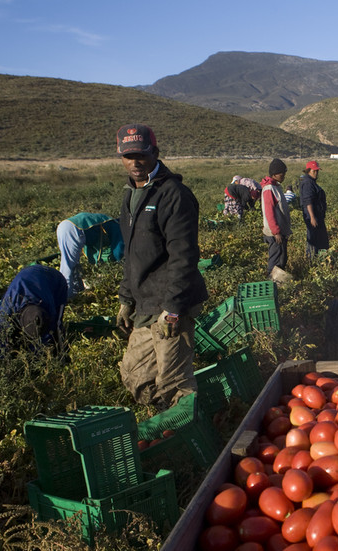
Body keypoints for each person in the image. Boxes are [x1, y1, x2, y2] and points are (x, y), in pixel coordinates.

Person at [114, 123, 209, 411]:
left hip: (170, 304)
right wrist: (126, 299)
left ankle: (192, 441)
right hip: (145, 303)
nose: (135, 162)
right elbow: (133, 255)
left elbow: (184, 256)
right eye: (128, 156)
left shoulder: (173, 195)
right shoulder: (131, 196)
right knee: (137, 376)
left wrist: (173, 308)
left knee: (173, 382)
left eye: (141, 155)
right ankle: (166, 428)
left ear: (155, 152)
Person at [0, 264, 68, 355]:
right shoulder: (11, 300)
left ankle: (60, 353)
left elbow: (50, 331)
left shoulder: (49, 309)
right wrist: (2, 357)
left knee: (56, 326)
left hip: (57, 281)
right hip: (27, 273)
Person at [56, 212, 124, 298]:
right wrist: (118, 263)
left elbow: (93, 247)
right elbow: (118, 250)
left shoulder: (107, 221)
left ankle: (77, 291)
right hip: (73, 229)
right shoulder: (117, 226)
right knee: (68, 265)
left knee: (73, 264)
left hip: (65, 226)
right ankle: (65, 297)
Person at [261, 158, 292, 278]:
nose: (283, 176)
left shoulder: (275, 186)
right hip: (275, 233)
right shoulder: (269, 189)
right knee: (275, 258)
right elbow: (269, 213)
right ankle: (271, 281)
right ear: (274, 174)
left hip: (280, 230)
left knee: (282, 257)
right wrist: (276, 232)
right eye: (281, 173)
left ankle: (278, 283)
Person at [299, 160, 329, 260]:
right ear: (308, 171)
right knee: (314, 239)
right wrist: (312, 217)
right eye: (314, 171)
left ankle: (319, 260)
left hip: (317, 215)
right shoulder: (308, 184)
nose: (316, 173)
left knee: (320, 239)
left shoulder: (311, 182)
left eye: (317, 171)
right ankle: (312, 261)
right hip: (313, 216)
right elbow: (308, 201)